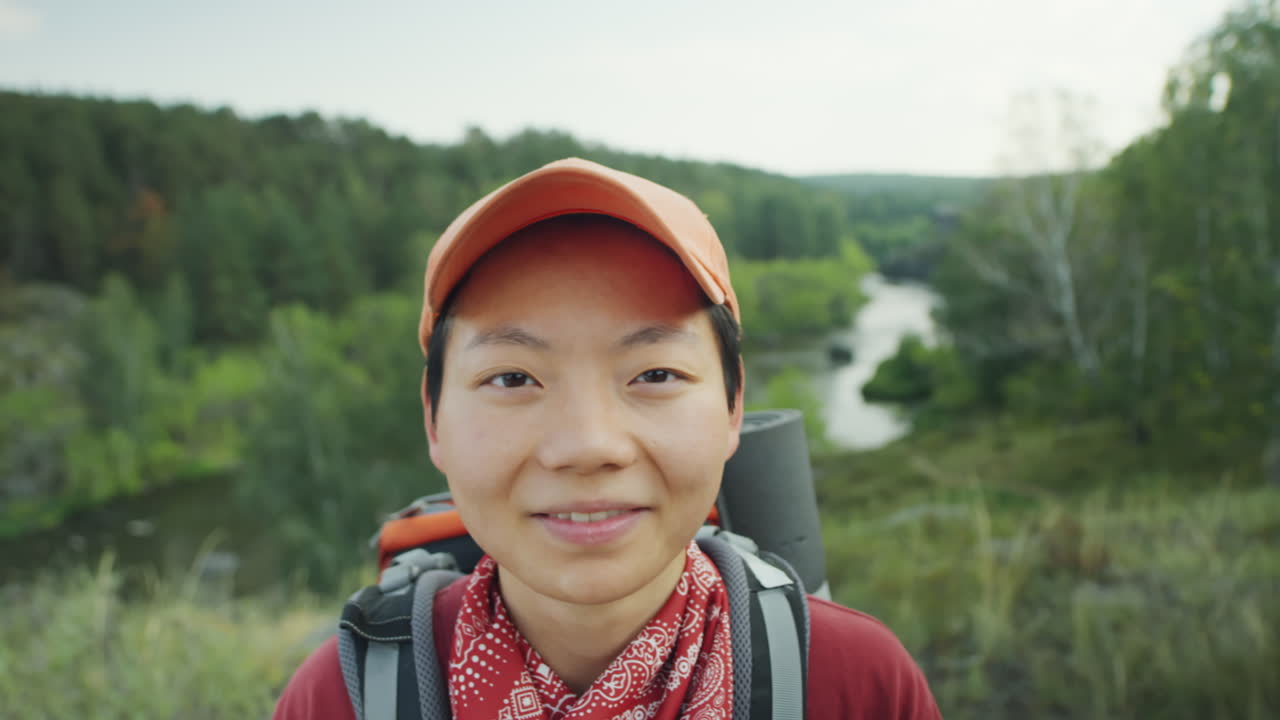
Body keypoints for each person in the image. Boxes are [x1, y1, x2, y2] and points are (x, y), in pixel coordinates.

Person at [274, 158, 942, 720]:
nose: (589, 445)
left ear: (733, 408)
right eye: (513, 377)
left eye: (654, 373)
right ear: (433, 420)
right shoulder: (347, 696)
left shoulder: (855, 684)